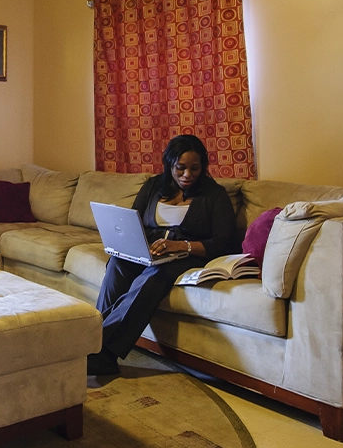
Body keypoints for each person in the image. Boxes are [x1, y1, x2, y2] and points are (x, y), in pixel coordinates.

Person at [89, 134, 238, 375]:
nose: (187, 174)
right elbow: (133, 221)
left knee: (154, 276)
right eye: (180, 168)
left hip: (186, 256)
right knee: (117, 264)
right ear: (169, 165)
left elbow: (224, 242)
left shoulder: (214, 194)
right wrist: (132, 245)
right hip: (149, 250)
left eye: (194, 168)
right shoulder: (153, 186)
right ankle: (94, 341)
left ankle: (105, 353)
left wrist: (180, 246)